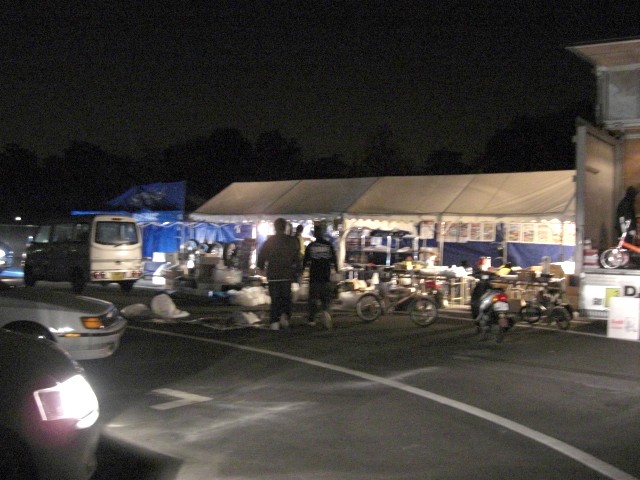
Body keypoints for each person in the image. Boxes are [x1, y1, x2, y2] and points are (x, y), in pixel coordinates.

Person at [257, 218, 301, 330]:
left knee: (275, 300)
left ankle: (274, 322)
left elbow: (262, 256)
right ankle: (285, 318)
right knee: (286, 298)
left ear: (274, 227)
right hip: (286, 275)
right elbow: (297, 258)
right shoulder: (292, 241)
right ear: (285, 227)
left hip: (273, 275)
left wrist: (261, 268)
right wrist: (298, 272)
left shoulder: (269, 241)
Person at [303, 222, 338, 328]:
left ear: (315, 234)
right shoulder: (328, 245)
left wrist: (302, 271)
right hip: (325, 276)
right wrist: (336, 271)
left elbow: (306, 261)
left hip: (314, 276)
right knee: (325, 299)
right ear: (323, 233)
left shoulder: (311, 246)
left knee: (313, 299)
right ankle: (325, 317)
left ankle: (312, 320)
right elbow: (334, 260)